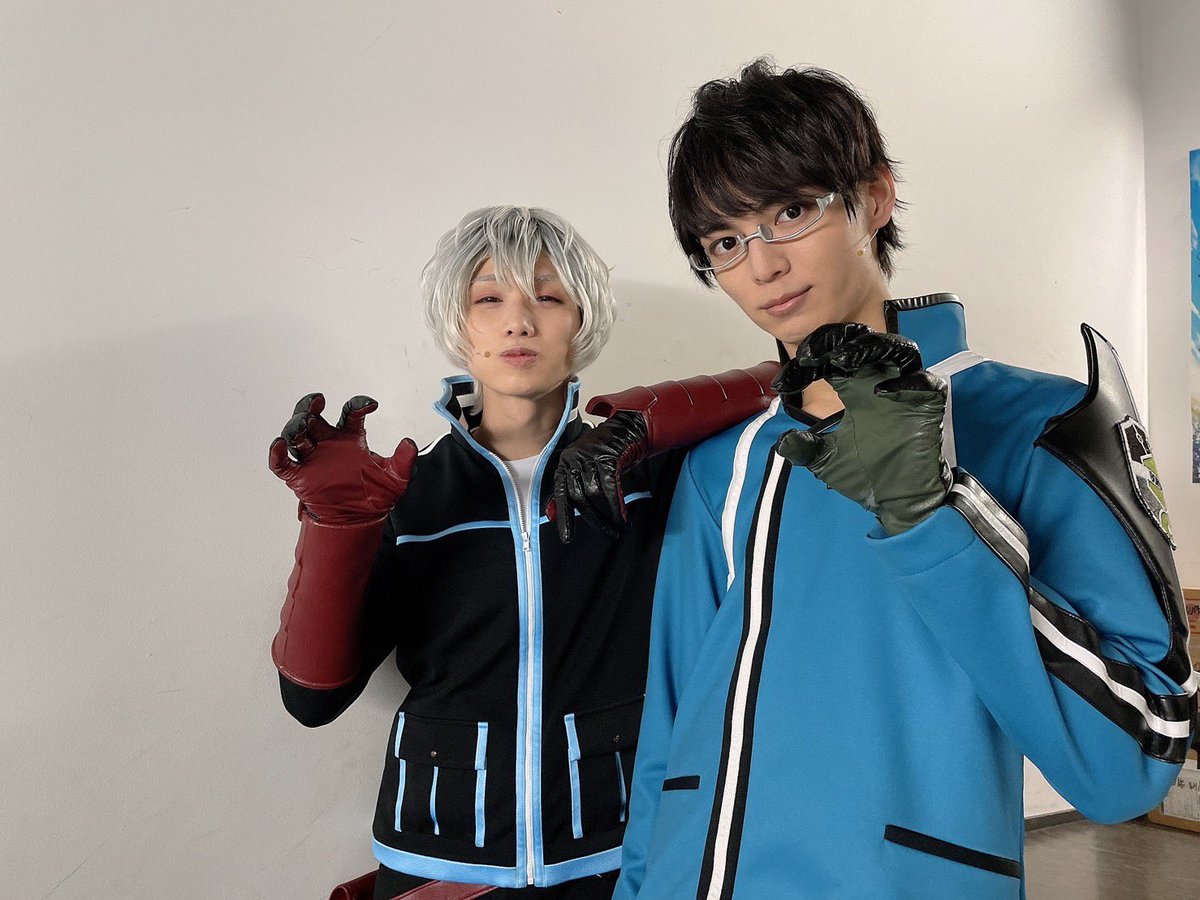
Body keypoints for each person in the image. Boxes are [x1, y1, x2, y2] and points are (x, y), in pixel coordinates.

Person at [573, 62, 1197, 899]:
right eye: (725, 242)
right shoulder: (722, 462)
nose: (763, 266)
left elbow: (1133, 763)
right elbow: (670, 736)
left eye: (790, 212)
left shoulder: (1042, 426)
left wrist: (934, 515)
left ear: (874, 198)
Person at [267, 206, 778, 899]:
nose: (519, 322)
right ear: (458, 324)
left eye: (548, 297)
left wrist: (642, 421)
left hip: (616, 851)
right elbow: (311, 701)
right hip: (440, 859)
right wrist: (336, 526)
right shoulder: (404, 493)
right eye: (489, 299)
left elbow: (790, 379)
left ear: (582, 320)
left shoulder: (652, 476)